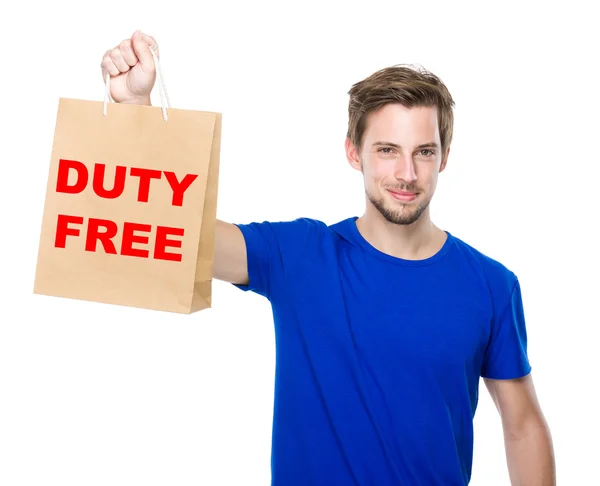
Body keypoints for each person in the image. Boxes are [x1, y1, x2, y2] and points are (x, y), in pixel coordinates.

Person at [101, 30, 556, 486]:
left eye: (423, 152)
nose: (406, 173)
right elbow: (183, 236)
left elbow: (522, 426)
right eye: (387, 151)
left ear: (444, 158)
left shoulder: (492, 285)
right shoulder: (301, 257)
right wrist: (133, 114)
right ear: (354, 153)